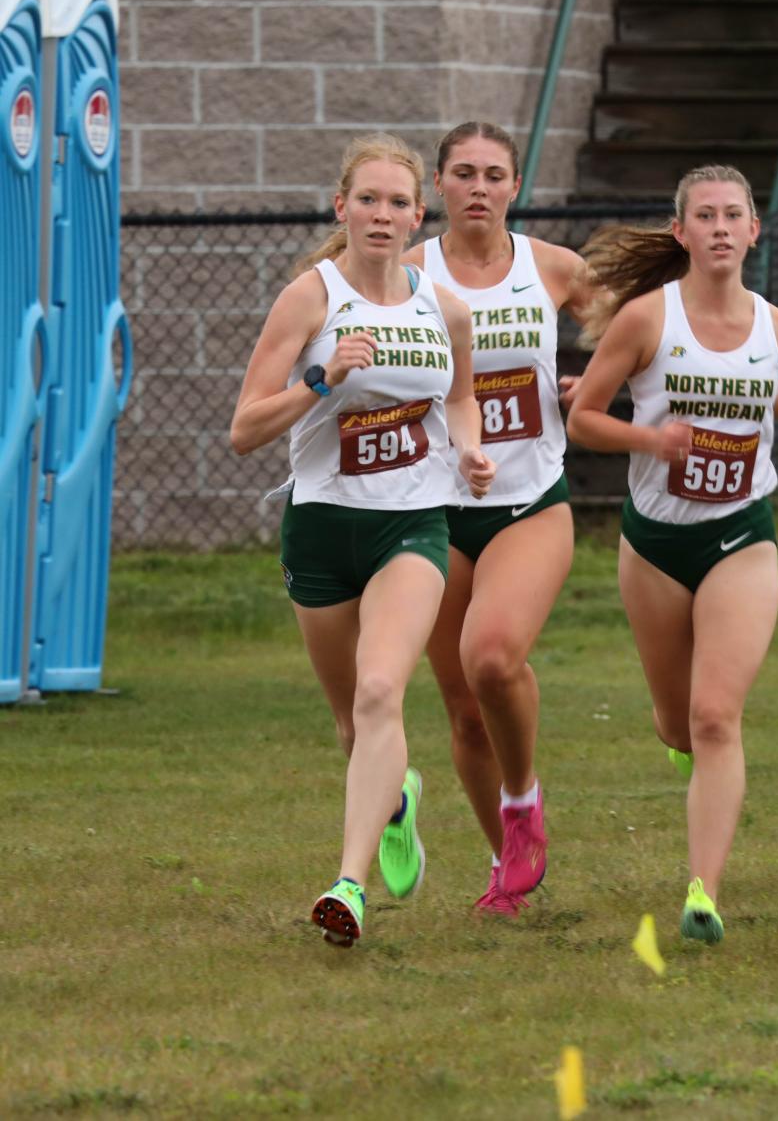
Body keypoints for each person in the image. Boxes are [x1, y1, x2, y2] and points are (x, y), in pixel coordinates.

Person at [566, 166, 778, 946]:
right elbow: (584, 418)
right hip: (653, 543)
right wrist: (650, 438)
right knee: (675, 723)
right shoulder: (646, 321)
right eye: (705, 217)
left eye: (734, 216)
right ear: (681, 233)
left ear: (754, 232)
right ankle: (690, 758)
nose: (720, 228)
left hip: (740, 538)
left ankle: (703, 891)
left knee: (716, 716)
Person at [228, 133, 494, 946]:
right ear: (341, 207)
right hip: (320, 527)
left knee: (383, 690)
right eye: (367, 200)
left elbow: (459, 398)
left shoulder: (442, 306)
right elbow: (244, 430)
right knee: (353, 725)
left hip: (412, 525)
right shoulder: (310, 298)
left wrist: (472, 449)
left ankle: (348, 886)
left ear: (421, 214)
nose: (383, 215)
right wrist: (321, 380)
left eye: (398, 202)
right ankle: (396, 801)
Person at [404, 121, 592, 915]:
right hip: (429, 510)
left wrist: (593, 380)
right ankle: (505, 864)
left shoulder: (553, 268)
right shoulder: (404, 273)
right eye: (462, 174)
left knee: (492, 658)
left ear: (516, 186)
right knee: (462, 710)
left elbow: (635, 332)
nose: (478, 187)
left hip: (527, 504)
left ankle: (524, 800)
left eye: (493, 174)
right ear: (437, 189)